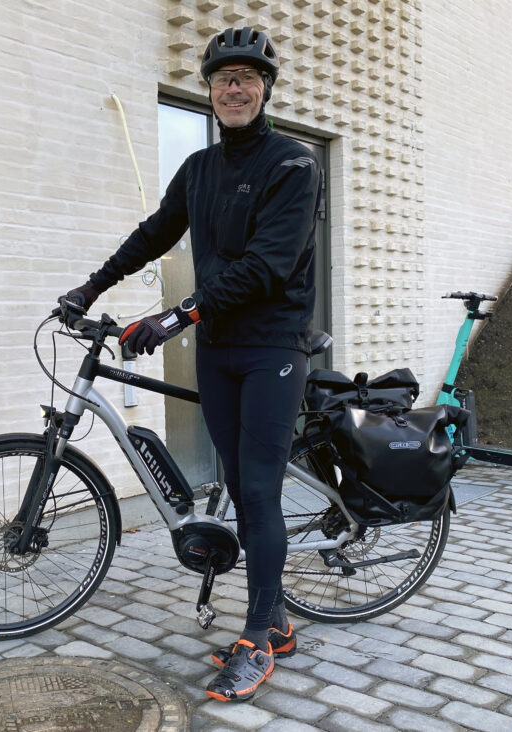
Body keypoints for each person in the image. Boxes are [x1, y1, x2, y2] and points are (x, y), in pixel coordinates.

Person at [63, 27, 322, 703]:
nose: (234, 89)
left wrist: (176, 315)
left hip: (272, 346)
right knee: (237, 482)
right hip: (219, 349)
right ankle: (281, 621)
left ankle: (258, 641)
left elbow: (269, 264)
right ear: (209, 91)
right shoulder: (201, 170)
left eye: (246, 77)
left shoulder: (294, 165)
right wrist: (90, 287)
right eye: (222, 78)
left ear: (265, 89)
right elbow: (156, 233)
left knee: (259, 491)